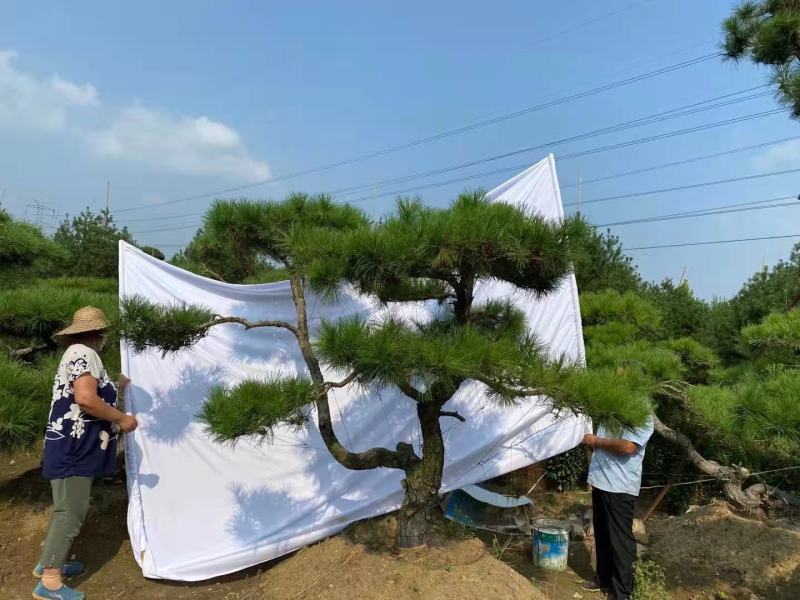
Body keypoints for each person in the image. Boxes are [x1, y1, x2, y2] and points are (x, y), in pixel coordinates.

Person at [33, 306, 138, 600]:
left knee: (65, 507)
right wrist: (121, 418)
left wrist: (117, 386)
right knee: (71, 511)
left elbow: (86, 394)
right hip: (73, 448)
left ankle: (49, 562)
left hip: (71, 446)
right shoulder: (83, 353)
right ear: (99, 333)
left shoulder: (79, 354)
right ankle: (50, 582)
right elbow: (85, 398)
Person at [580, 414, 654, 600]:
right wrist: (593, 444)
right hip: (600, 480)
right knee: (603, 534)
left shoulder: (642, 413)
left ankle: (622, 592)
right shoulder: (612, 408)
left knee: (620, 540)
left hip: (620, 486)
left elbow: (628, 446)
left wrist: (596, 440)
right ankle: (602, 579)